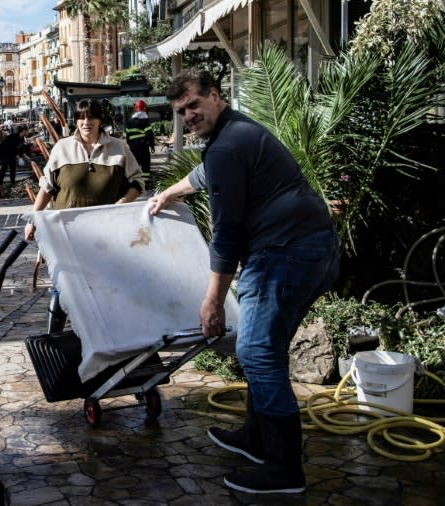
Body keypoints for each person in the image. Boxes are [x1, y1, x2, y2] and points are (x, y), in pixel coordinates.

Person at [148, 69, 340, 495]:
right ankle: (257, 439)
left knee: (255, 351)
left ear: (215, 96)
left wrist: (212, 300)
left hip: (286, 254)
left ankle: (283, 468)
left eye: (194, 105)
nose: (188, 116)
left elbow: (228, 233)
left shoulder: (228, 145)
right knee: (264, 350)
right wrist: (171, 192)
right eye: (181, 112)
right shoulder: (236, 132)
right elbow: (205, 175)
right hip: (310, 248)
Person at [24, 99, 144, 333]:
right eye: (81, 117)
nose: (86, 122)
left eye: (91, 117)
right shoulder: (63, 148)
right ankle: (54, 337)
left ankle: (107, 335)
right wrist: (33, 219)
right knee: (64, 284)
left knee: (105, 284)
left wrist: (122, 203)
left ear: (100, 120)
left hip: (107, 233)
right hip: (66, 232)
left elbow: (138, 182)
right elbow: (47, 188)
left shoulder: (119, 148)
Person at [125, 99, 155, 176]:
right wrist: (152, 146)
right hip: (143, 146)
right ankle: (145, 180)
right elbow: (149, 134)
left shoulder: (129, 121)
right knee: (145, 163)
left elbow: (128, 135)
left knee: (135, 163)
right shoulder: (145, 120)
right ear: (144, 108)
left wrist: (130, 144)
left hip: (133, 147)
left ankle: (136, 179)